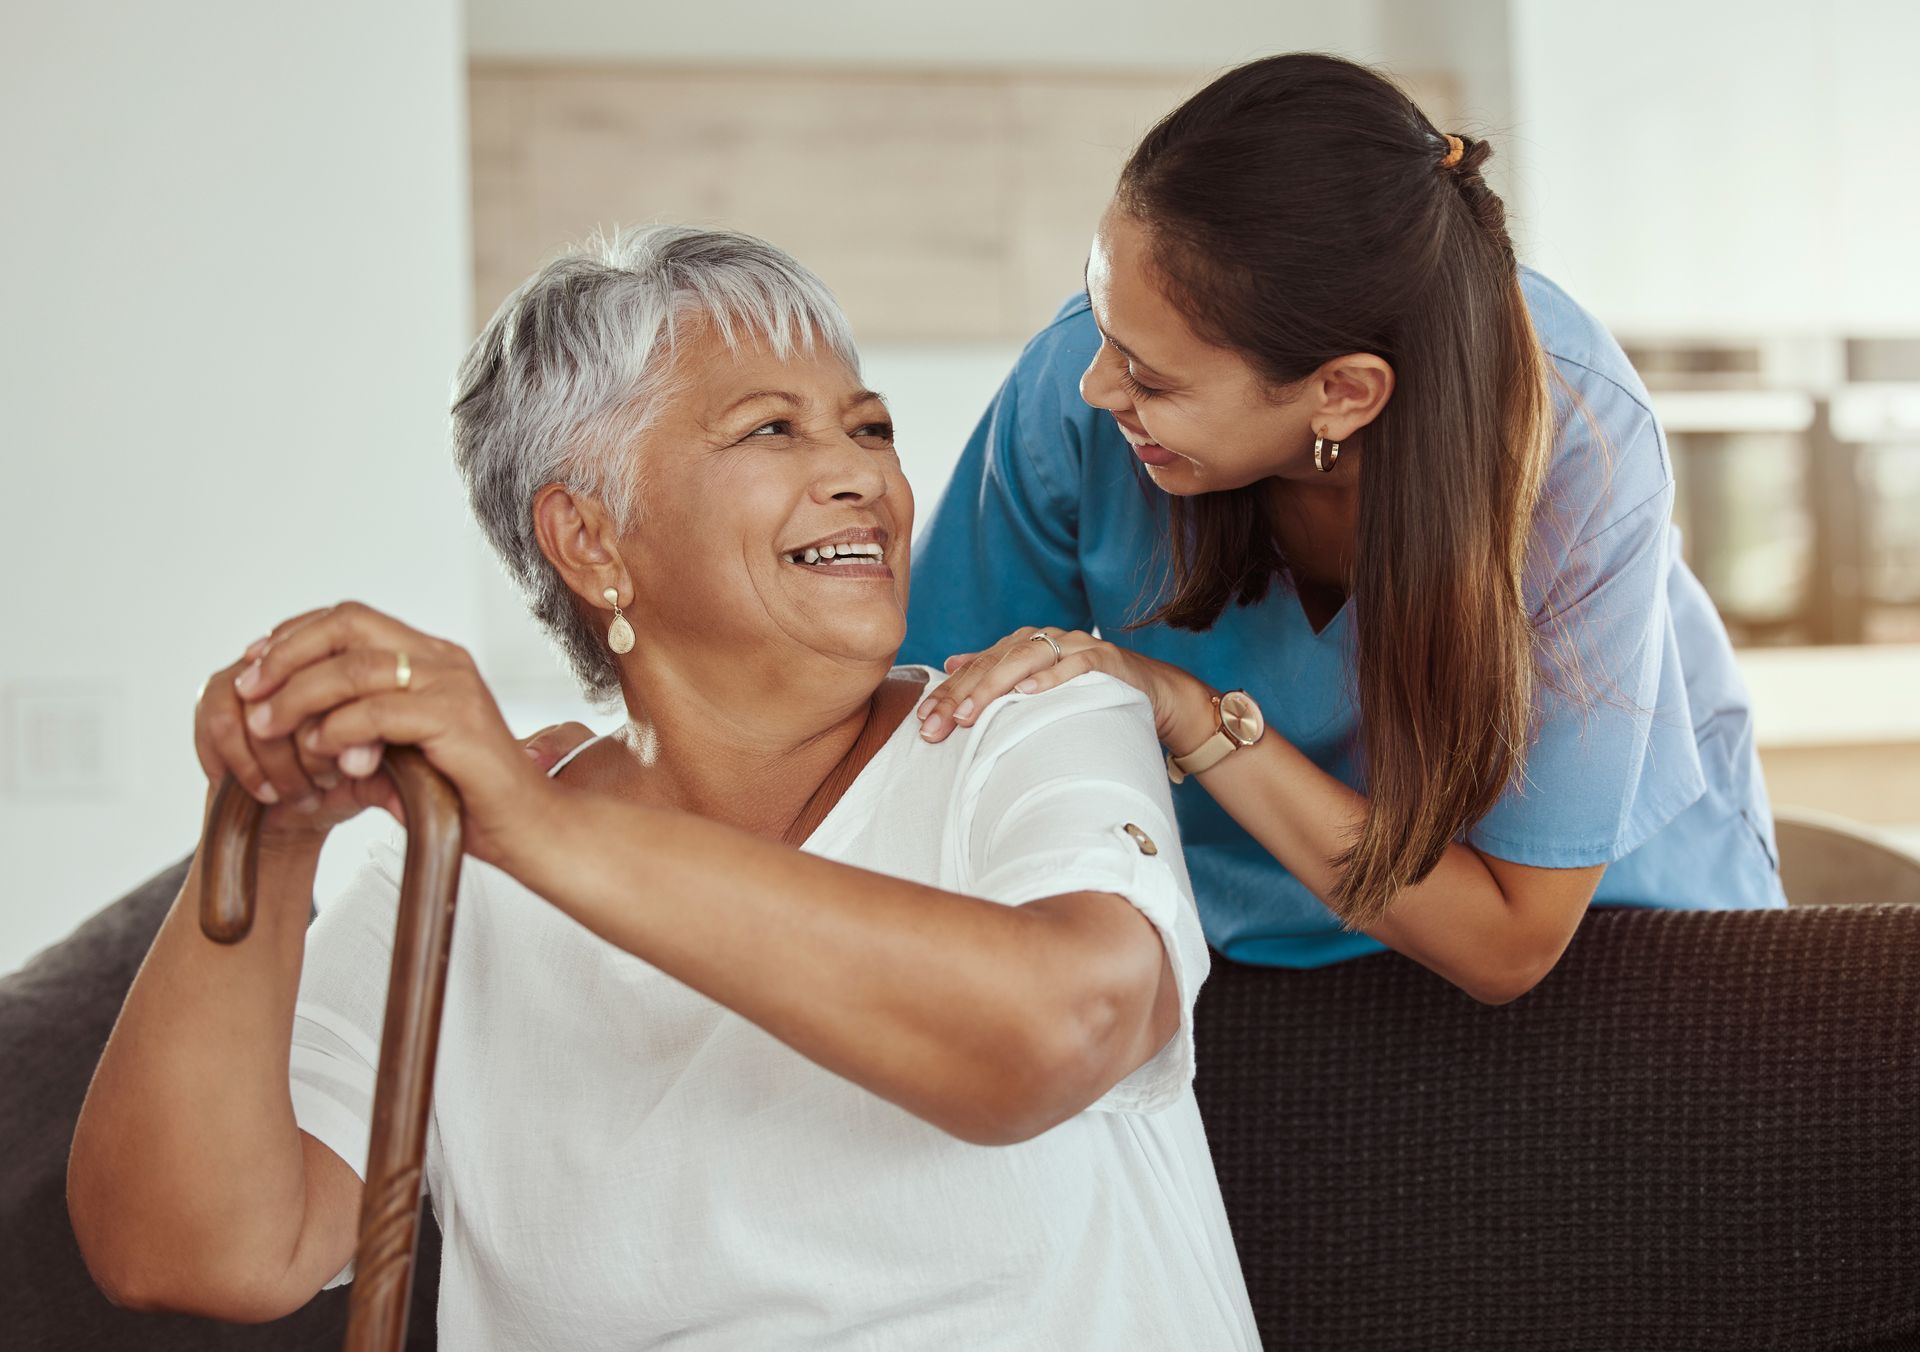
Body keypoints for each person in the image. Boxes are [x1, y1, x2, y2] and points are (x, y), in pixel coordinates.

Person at [67, 226, 1259, 1349]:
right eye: (771, 431)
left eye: (870, 426)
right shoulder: (451, 864)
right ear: (589, 538)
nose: (862, 477)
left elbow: (1062, 1030)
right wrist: (269, 837)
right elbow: (196, 1248)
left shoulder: (1030, 719)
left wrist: (538, 831)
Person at [903, 53, 1787, 1001]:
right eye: (1102, 325)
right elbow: (939, 751)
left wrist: (1188, 712)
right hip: (1220, 941)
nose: (1093, 385)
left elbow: (1507, 942)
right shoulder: (1073, 391)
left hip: (1599, 938)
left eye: (1151, 379)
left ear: (1342, 393)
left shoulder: (1577, 436)